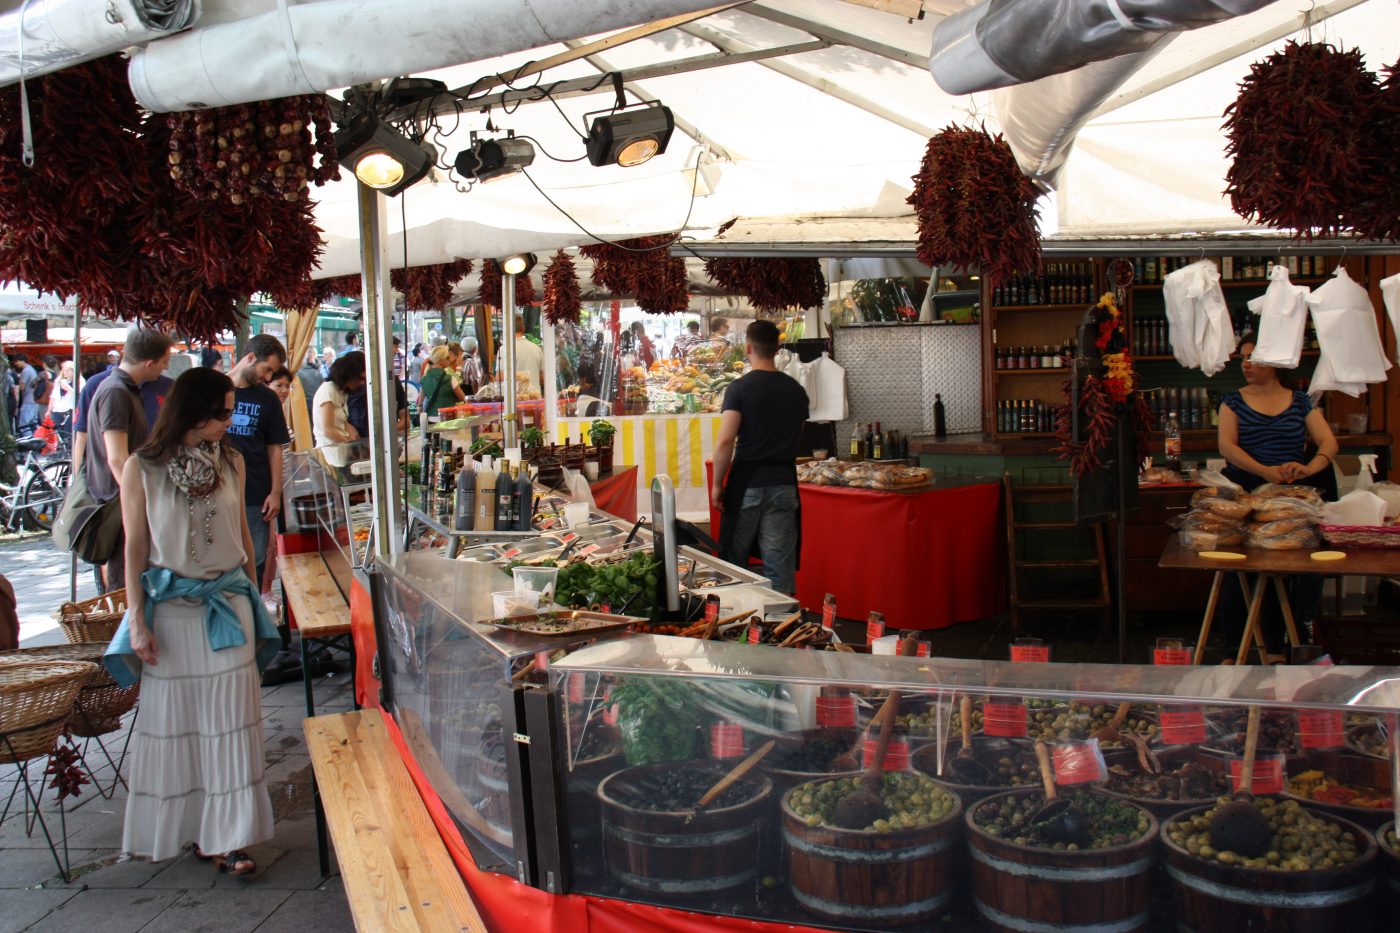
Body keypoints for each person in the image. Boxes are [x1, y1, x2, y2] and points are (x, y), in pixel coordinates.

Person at [116, 366, 277, 876]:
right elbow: (135, 548)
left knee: (231, 723)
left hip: (228, 604)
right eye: (222, 412)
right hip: (170, 610)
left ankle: (230, 837)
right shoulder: (142, 468)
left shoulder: (231, 460)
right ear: (195, 411)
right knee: (178, 723)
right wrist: (136, 618)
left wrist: (255, 595)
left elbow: (243, 536)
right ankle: (194, 828)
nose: (230, 420)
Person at [1216, 332, 1339, 646]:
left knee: (1296, 567)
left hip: (1288, 499)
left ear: (1274, 360)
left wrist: (1309, 468)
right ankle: (1234, 645)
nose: (1246, 364)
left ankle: (1287, 642)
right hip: (1246, 497)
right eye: (1243, 358)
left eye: (1253, 357)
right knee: (1239, 569)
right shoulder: (1232, 401)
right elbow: (1227, 447)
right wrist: (1263, 471)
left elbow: (1328, 442)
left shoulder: (1299, 401)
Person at [711, 320, 809, 594]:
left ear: (748, 348)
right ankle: (781, 618)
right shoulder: (796, 391)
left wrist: (717, 485)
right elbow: (797, 434)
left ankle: (736, 616)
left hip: (747, 484)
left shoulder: (739, 389)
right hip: (783, 484)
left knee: (734, 565)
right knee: (779, 567)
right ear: (777, 349)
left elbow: (725, 440)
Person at [86, 329, 174, 592]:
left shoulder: (125, 389)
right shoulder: (116, 392)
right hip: (118, 503)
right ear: (149, 363)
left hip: (124, 499)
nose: (165, 368)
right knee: (124, 584)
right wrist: (139, 500)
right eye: (164, 362)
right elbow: (116, 458)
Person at [225, 335, 290, 601]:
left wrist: (275, 492)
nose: (268, 377)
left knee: (256, 556)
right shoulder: (217, 389)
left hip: (256, 492)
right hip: (219, 490)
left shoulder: (268, 399)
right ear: (250, 358)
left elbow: (275, 447)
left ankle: (251, 608)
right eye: (267, 369)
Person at [312, 351, 365, 447]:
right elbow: (328, 431)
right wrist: (351, 446)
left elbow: (343, 423)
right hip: (329, 449)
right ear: (350, 374)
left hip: (339, 448)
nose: (362, 383)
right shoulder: (328, 390)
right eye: (360, 378)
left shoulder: (342, 392)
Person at [496, 317, 545, 394]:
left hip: (513, 398)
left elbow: (500, 377)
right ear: (523, 328)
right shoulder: (537, 349)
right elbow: (542, 379)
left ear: (508, 329)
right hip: (535, 397)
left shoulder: (503, 349)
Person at [418, 345, 465, 422]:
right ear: (440, 361)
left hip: (430, 418)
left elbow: (420, 401)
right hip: (447, 418)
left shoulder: (424, 378)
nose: (449, 360)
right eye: (447, 357)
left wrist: (420, 407)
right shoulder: (450, 379)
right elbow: (462, 398)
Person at [45, 359, 79, 436]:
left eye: (67, 370)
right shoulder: (59, 380)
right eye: (64, 370)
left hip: (69, 410)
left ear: (73, 371)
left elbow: (79, 395)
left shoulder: (79, 381)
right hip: (57, 410)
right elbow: (53, 396)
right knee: (58, 433)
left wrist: (69, 389)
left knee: (68, 433)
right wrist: (49, 410)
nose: (65, 372)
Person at [10, 353, 40, 433]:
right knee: (33, 425)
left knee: (24, 426)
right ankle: (37, 439)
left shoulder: (25, 371)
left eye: (16, 361)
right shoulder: (32, 369)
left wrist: (17, 383)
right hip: (34, 401)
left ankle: (28, 440)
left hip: (28, 402)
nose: (15, 364)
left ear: (22, 361)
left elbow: (22, 387)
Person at [295, 347, 324, 421]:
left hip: (304, 405)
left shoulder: (298, 374)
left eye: (311, 353)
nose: (310, 354)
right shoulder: (319, 373)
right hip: (317, 404)